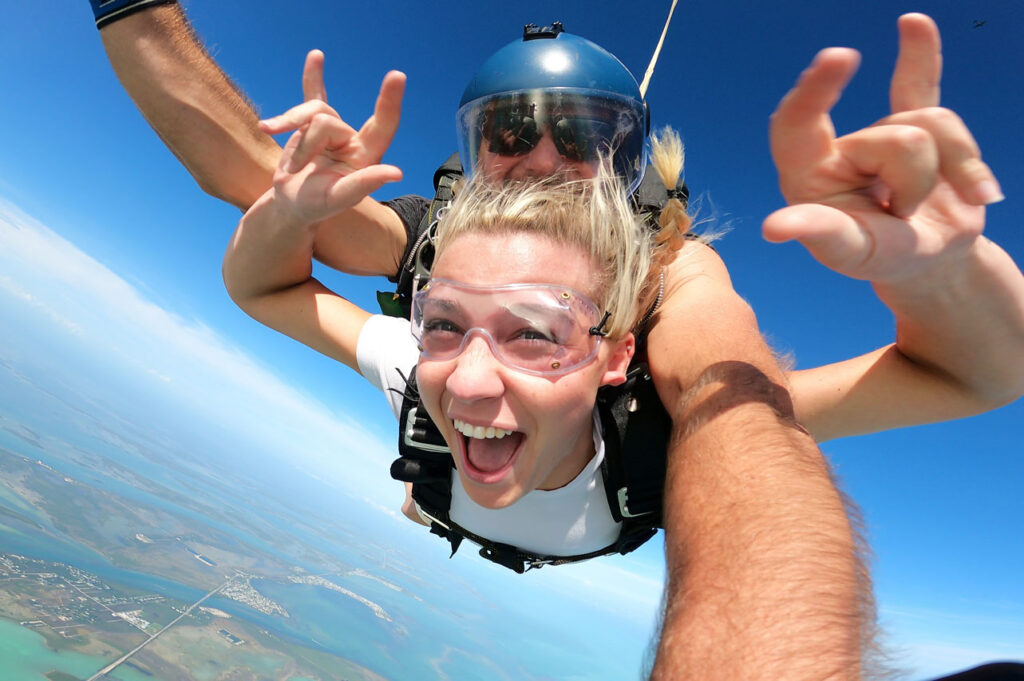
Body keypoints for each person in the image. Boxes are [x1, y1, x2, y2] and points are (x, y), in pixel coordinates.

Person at [90, 3, 1024, 679]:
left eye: (578, 134)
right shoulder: (432, 257)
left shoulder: (674, 288)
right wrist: (290, 197)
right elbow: (267, 196)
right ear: (474, 146)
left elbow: (727, 400)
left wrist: (939, 274)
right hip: (479, 487)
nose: (541, 159)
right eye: (511, 129)